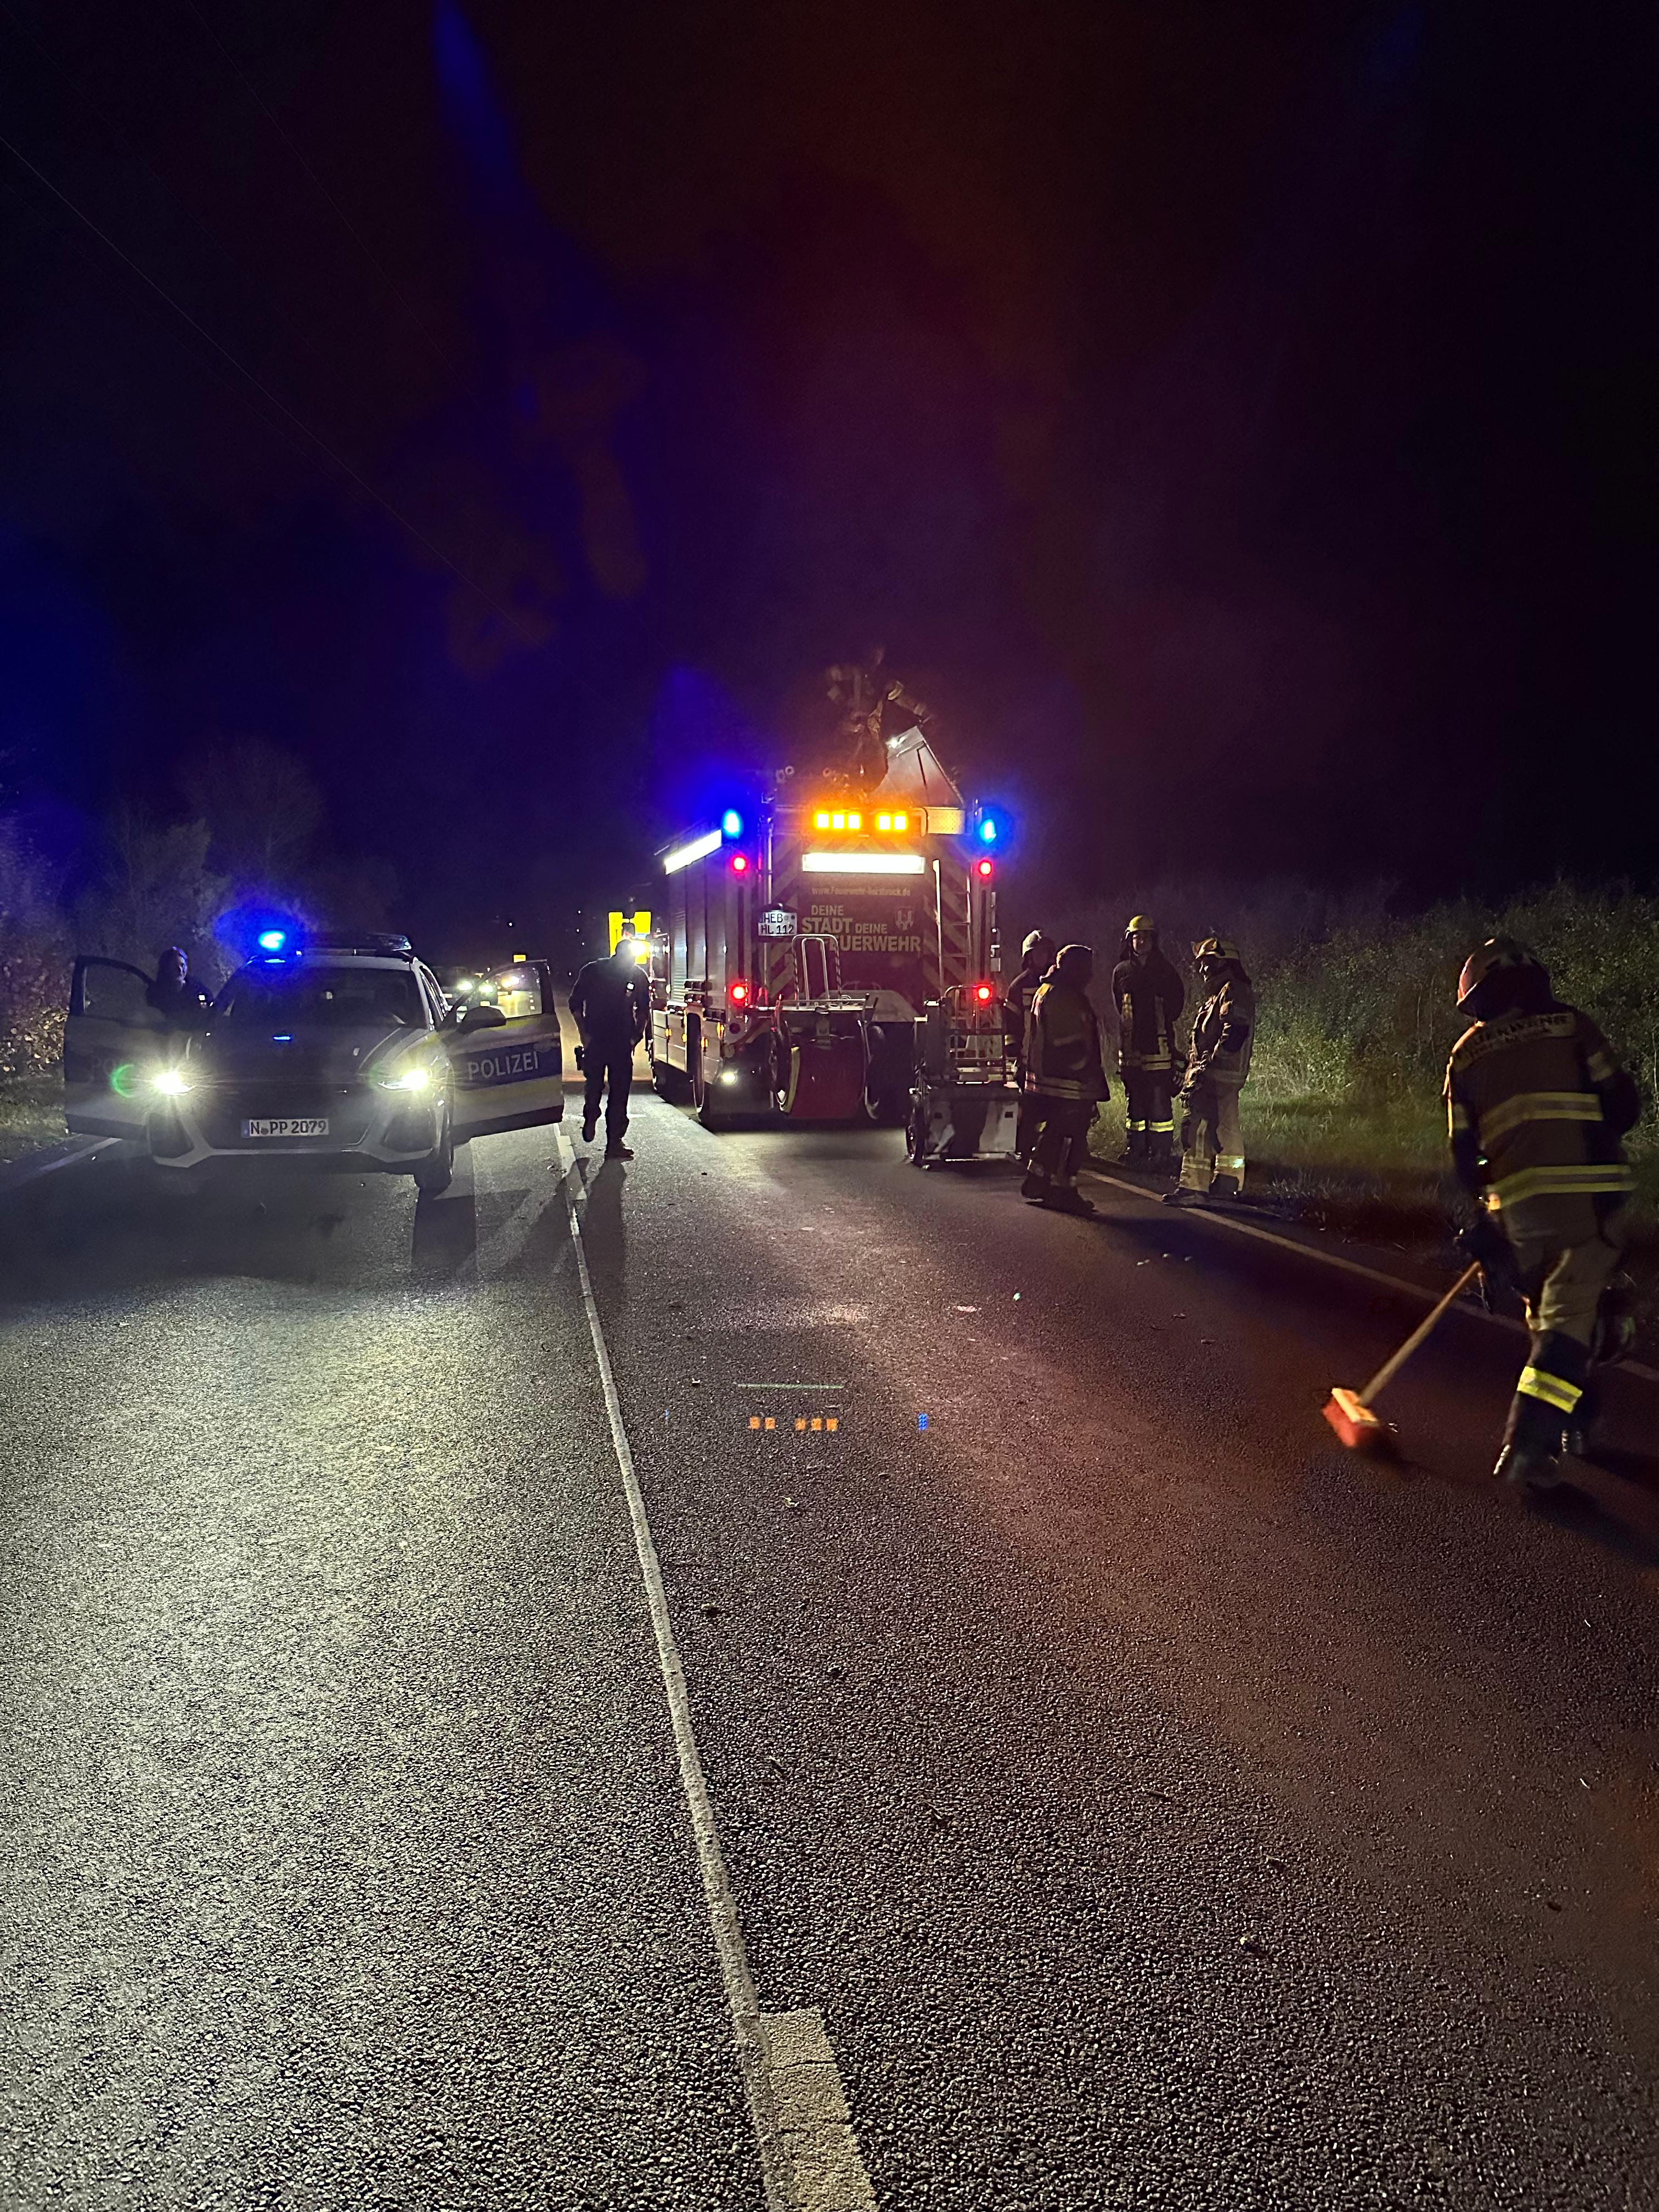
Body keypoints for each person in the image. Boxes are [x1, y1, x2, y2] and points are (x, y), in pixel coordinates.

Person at [1444, 936, 1640, 1494]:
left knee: (1556, 1324)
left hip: (1518, 1224)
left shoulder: (1465, 1055)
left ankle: (1577, 1423)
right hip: (1589, 1206)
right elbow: (1623, 1105)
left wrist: (1482, 1224)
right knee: (1569, 1328)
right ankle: (1528, 1445)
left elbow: (1463, 1158)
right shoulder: (1573, 1028)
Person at [1020, 942, 1109, 1215]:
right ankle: (1062, 1190)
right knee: (1071, 1137)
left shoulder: (1051, 989)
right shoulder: (1063, 995)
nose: (1090, 975)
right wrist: (1086, 1073)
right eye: (1086, 969)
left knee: (1058, 1133)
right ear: (1075, 969)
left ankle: (1040, 1181)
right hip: (1067, 1081)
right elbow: (1069, 1042)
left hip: (1053, 1079)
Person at [1164, 936, 1254, 1204]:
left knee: (1198, 1128)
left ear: (1226, 963)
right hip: (1224, 1074)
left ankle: (1194, 1188)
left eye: (1208, 963)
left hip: (1217, 1073)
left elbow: (1234, 1034)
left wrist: (1205, 1067)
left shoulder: (1233, 991)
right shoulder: (1226, 992)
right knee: (1226, 1127)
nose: (1203, 970)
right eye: (1201, 964)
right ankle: (1228, 1182)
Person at [1110, 915, 1185, 1169]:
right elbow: (1119, 1006)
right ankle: (1136, 1149)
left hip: (1159, 1047)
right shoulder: (1121, 971)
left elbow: (1176, 1005)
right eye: (1136, 936)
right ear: (1129, 940)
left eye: (1146, 936)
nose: (1140, 940)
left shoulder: (1165, 970)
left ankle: (1161, 1152)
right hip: (1131, 1049)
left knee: (1158, 1098)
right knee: (1135, 1099)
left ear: (1154, 940)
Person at [569, 937, 651, 1158]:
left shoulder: (628, 975)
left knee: (607, 1087)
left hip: (609, 1041)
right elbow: (575, 1004)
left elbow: (644, 1010)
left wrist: (636, 1037)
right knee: (607, 1089)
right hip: (608, 1041)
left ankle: (603, 1128)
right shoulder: (604, 972)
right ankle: (602, 1128)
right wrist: (584, 1035)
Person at [1003, 929, 1056, 1161]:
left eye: (1046, 953)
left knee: (1054, 1104)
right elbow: (1011, 1025)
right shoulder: (1018, 986)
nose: (1043, 958)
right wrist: (1014, 1053)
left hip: (1053, 1057)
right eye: (1039, 953)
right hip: (1028, 1057)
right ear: (1029, 957)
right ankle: (1025, 1148)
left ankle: (1052, 1147)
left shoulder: (1058, 983)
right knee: (1028, 1107)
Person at [145, 946, 212, 1027]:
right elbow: (151, 1017)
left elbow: (206, 1001)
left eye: (182, 965)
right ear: (166, 968)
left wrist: (203, 1006)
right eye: (174, 966)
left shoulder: (196, 988)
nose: (180, 970)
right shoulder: (155, 994)